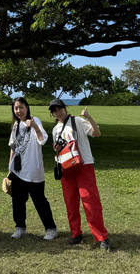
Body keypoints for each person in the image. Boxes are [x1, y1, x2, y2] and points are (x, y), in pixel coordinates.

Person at [49, 98, 112, 252]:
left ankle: (101, 237)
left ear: (64, 107)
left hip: (84, 165)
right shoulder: (55, 129)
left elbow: (97, 133)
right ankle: (76, 234)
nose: (58, 113)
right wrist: (56, 149)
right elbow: (59, 148)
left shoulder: (77, 121)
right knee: (70, 203)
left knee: (90, 202)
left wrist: (88, 117)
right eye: (54, 111)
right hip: (66, 167)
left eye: (59, 109)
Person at [7, 97, 58, 240]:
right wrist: (10, 166)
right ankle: (20, 227)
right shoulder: (16, 125)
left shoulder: (35, 121)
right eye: (16, 108)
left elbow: (42, 140)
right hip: (18, 170)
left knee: (39, 200)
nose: (19, 111)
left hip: (33, 169)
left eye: (21, 107)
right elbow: (13, 146)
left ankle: (51, 229)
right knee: (17, 201)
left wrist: (35, 126)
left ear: (27, 107)